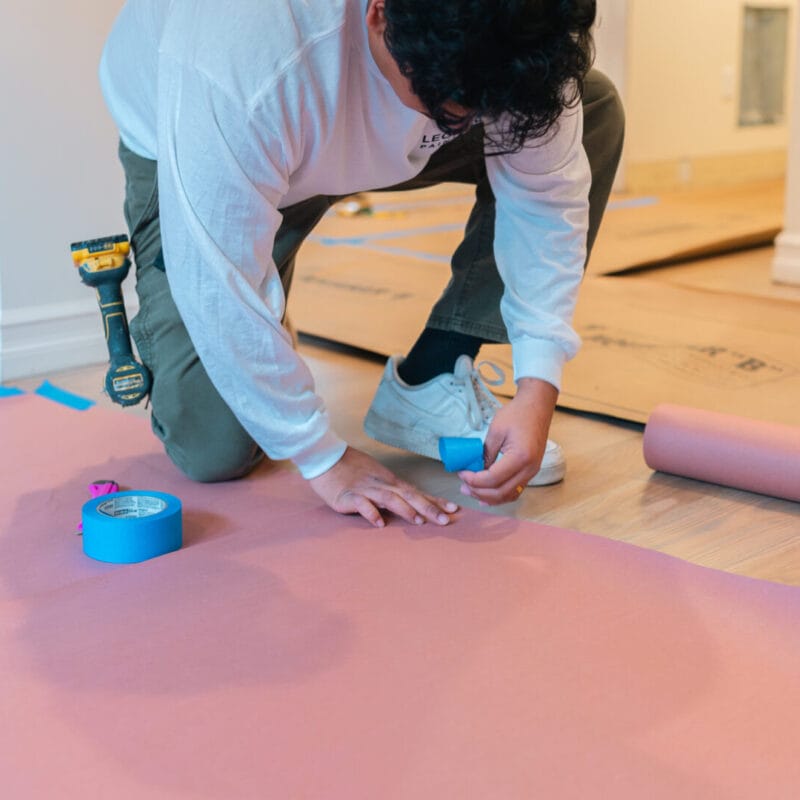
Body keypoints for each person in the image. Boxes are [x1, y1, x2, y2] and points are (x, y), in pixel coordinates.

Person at [99, 0, 624, 528]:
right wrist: (324, 458)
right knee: (213, 448)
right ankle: (259, 295)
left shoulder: (525, 27)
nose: (461, 120)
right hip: (222, 137)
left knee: (593, 105)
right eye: (445, 103)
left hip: (315, 110)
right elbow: (216, 281)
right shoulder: (237, 51)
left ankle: (435, 370)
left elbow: (547, 200)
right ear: (378, 13)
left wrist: (538, 384)